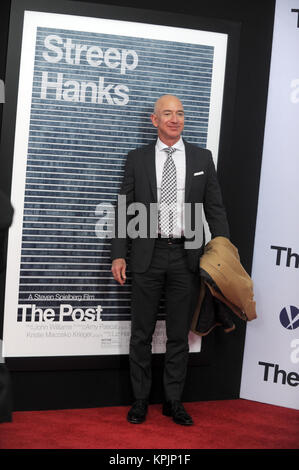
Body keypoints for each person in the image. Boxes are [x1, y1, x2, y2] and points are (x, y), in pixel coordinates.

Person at [111, 94, 229, 425]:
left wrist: (225, 251)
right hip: (146, 254)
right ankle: (140, 401)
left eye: (180, 113)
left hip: (186, 254)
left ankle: (173, 401)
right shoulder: (137, 159)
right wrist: (119, 254)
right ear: (155, 120)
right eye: (167, 114)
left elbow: (215, 209)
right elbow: (124, 210)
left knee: (179, 334)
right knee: (141, 333)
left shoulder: (202, 158)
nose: (175, 119)